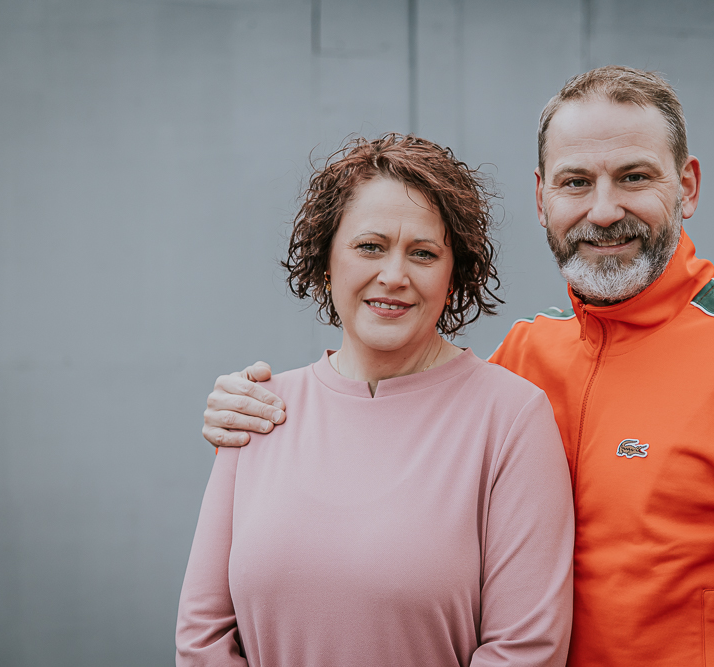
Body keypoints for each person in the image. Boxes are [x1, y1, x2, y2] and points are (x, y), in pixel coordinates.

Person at [202, 67, 714, 665]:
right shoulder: (525, 362)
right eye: (575, 181)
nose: (602, 209)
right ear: (541, 199)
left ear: (687, 186)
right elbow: (390, 433)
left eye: (633, 177)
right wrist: (248, 406)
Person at [176, 134, 575, 666]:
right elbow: (203, 637)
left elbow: (525, 650)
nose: (394, 276)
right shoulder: (257, 410)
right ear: (326, 260)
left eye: (423, 253)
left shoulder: (511, 418)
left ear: (453, 276)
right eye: (370, 246)